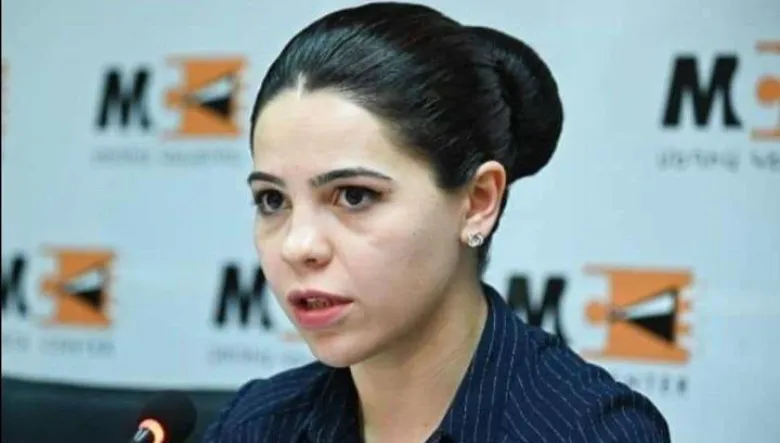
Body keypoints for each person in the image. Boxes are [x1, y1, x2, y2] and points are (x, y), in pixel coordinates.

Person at [201, 2, 670, 442]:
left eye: (354, 196)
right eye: (272, 200)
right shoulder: (256, 424)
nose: (298, 246)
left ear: (478, 201)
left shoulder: (587, 431)